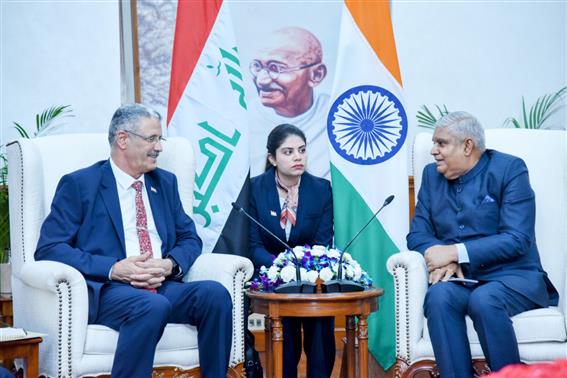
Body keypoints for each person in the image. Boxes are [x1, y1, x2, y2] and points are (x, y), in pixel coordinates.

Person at [35, 104, 232, 378]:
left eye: (159, 139)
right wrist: (114, 268)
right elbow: (49, 248)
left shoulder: (165, 183)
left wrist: (169, 265)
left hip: (161, 284)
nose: (159, 147)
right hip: (109, 290)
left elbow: (189, 237)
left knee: (215, 294)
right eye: (151, 139)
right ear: (123, 139)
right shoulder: (81, 184)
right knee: (152, 306)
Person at [407, 111, 558, 378]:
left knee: (485, 300)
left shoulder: (509, 169)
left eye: (441, 143)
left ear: (467, 146)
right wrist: (446, 258)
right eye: (433, 143)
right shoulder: (431, 176)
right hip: (465, 279)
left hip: (514, 277)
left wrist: (455, 252)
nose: (433, 151)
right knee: (439, 297)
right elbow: (417, 235)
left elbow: (517, 239)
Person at [249, 124, 335, 378]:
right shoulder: (255, 189)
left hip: (312, 278)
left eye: (302, 150)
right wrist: (282, 269)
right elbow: (253, 246)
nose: (297, 157)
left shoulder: (321, 189)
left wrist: (302, 270)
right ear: (272, 158)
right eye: (288, 152)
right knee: (284, 332)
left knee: (320, 322)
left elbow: (322, 243)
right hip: (272, 278)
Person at [249, 27, 330, 179]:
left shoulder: (340, 118)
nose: (261, 80)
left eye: (276, 68)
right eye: (257, 67)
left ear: (316, 74)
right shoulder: (242, 122)